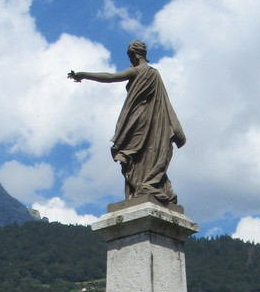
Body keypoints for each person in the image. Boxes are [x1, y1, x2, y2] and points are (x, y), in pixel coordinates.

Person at [68, 40, 186, 206]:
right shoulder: (154, 74)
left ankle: (144, 186)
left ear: (134, 55)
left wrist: (83, 75)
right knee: (147, 152)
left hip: (139, 118)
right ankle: (146, 185)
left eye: (130, 56)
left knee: (135, 153)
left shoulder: (138, 71)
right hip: (154, 120)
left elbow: (111, 77)